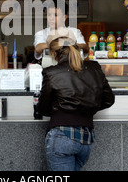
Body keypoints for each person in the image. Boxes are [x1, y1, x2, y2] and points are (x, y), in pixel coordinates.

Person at [36, 30, 115, 171]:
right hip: (87, 138)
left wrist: (60, 109)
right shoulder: (94, 68)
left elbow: (43, 108)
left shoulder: (51, 72)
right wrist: (86, 108)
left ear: (54, 53)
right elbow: (108, 100)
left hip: (61, 136)